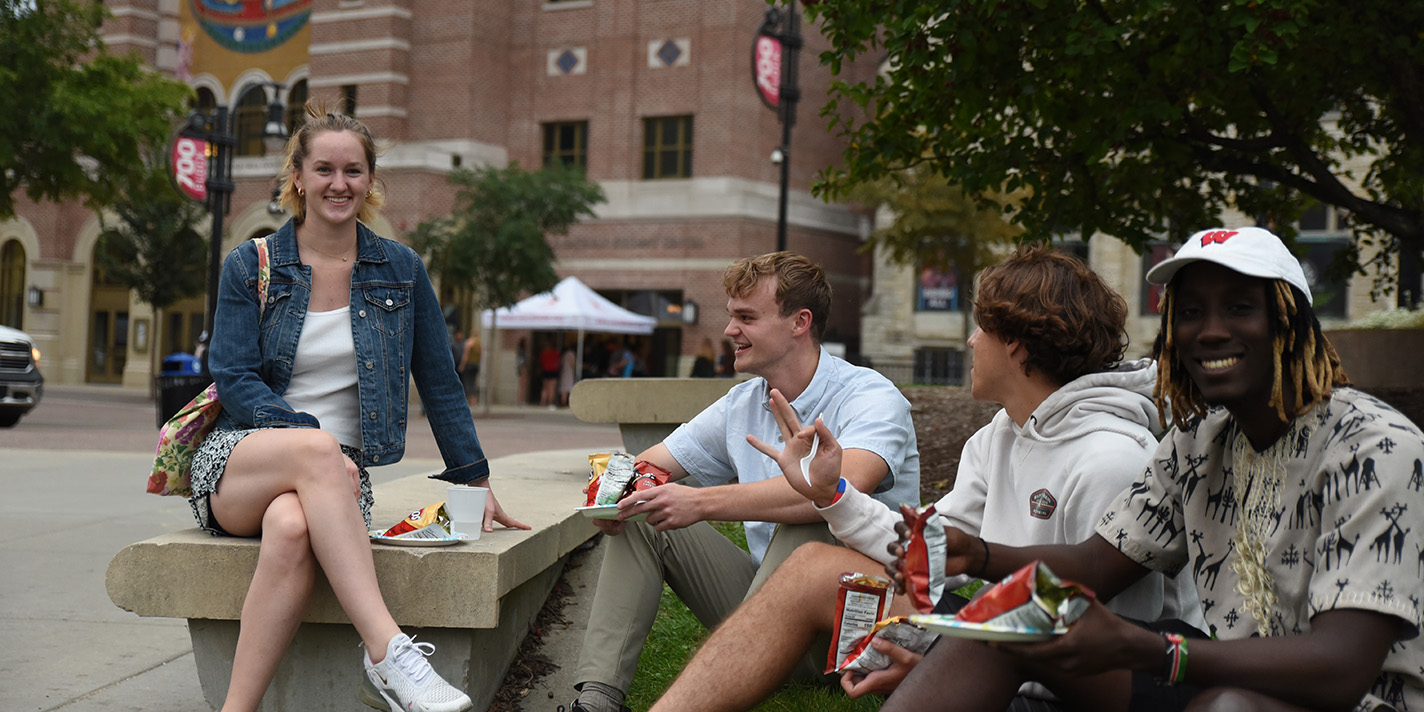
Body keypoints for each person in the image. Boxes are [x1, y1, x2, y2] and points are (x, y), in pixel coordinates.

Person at [882, 227, 1424, 712]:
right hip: (1220, 671)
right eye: (1189, 313)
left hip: (1356, 698)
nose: (1209, 331)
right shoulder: (1200, 440)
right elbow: (1099, 560)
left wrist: (1149, 649)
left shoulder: (1374, 448)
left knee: (1229, 707)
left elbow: (1340, 667)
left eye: (1239, 308)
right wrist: (977, 553)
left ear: (1290, 323)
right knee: (1014, 619)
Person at [650, 246, 1201, 712]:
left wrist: (944, 660)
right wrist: (831, 494)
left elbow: (1106, 649)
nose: (969, 343)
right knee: (812, 567)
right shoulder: (998, 436)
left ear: (1017, 344)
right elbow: (932, 550)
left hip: (1050, 675)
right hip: (997, 635)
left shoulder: (1112, 459)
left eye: (981, 328)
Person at [188, 102, 528, 712]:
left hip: (335, 480)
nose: (338, 184)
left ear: (371, 180)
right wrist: (308, 441)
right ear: (298, 176)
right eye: (323, 169)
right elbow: (233, 377)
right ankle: (388, 653)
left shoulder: (400, 270)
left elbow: (440, 379)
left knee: (291, 530)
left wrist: (475, 476)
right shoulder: (252, 264)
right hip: (242, 460)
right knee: (317, 452)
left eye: (352, 171)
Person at [563, 252, 921, 712]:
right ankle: (596, 701)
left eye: (746, 317)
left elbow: (842, 488)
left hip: (856, 631)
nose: (730, 330)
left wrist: (703, 502)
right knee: (644, 510)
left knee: (813, 510)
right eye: (732, 315)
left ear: (800, 323)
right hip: (770, 615)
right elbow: (650, 465)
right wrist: (620, 494)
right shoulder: (743, 402)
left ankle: (738, 660)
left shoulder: (869, 396)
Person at [457, 329, 480, 406]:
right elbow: (481, 356)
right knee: (473, 382)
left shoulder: (469, 342)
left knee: (467, 382)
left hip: (469, 365)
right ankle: (474, 401)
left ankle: (468, 400)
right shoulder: (479, 343)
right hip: (476, 365)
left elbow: (465, 356)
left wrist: (462, 365)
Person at [540, 340, 561, 407]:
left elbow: (541, 362)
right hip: (553, 371)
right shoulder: (556, 352)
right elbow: (559, 362)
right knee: (552, 388)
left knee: (545, 388)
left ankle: (543, 402)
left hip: (545, 370)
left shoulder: (543, 353)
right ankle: (550, 403)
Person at [515, 337, 530, 406]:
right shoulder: (522, 351)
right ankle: (519, 401)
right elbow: (521, 361)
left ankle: (521, 401)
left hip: (522, 370)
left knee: (522, 386)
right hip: (522, 370)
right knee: (522, 386)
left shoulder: (523, 351)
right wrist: (523, 370)